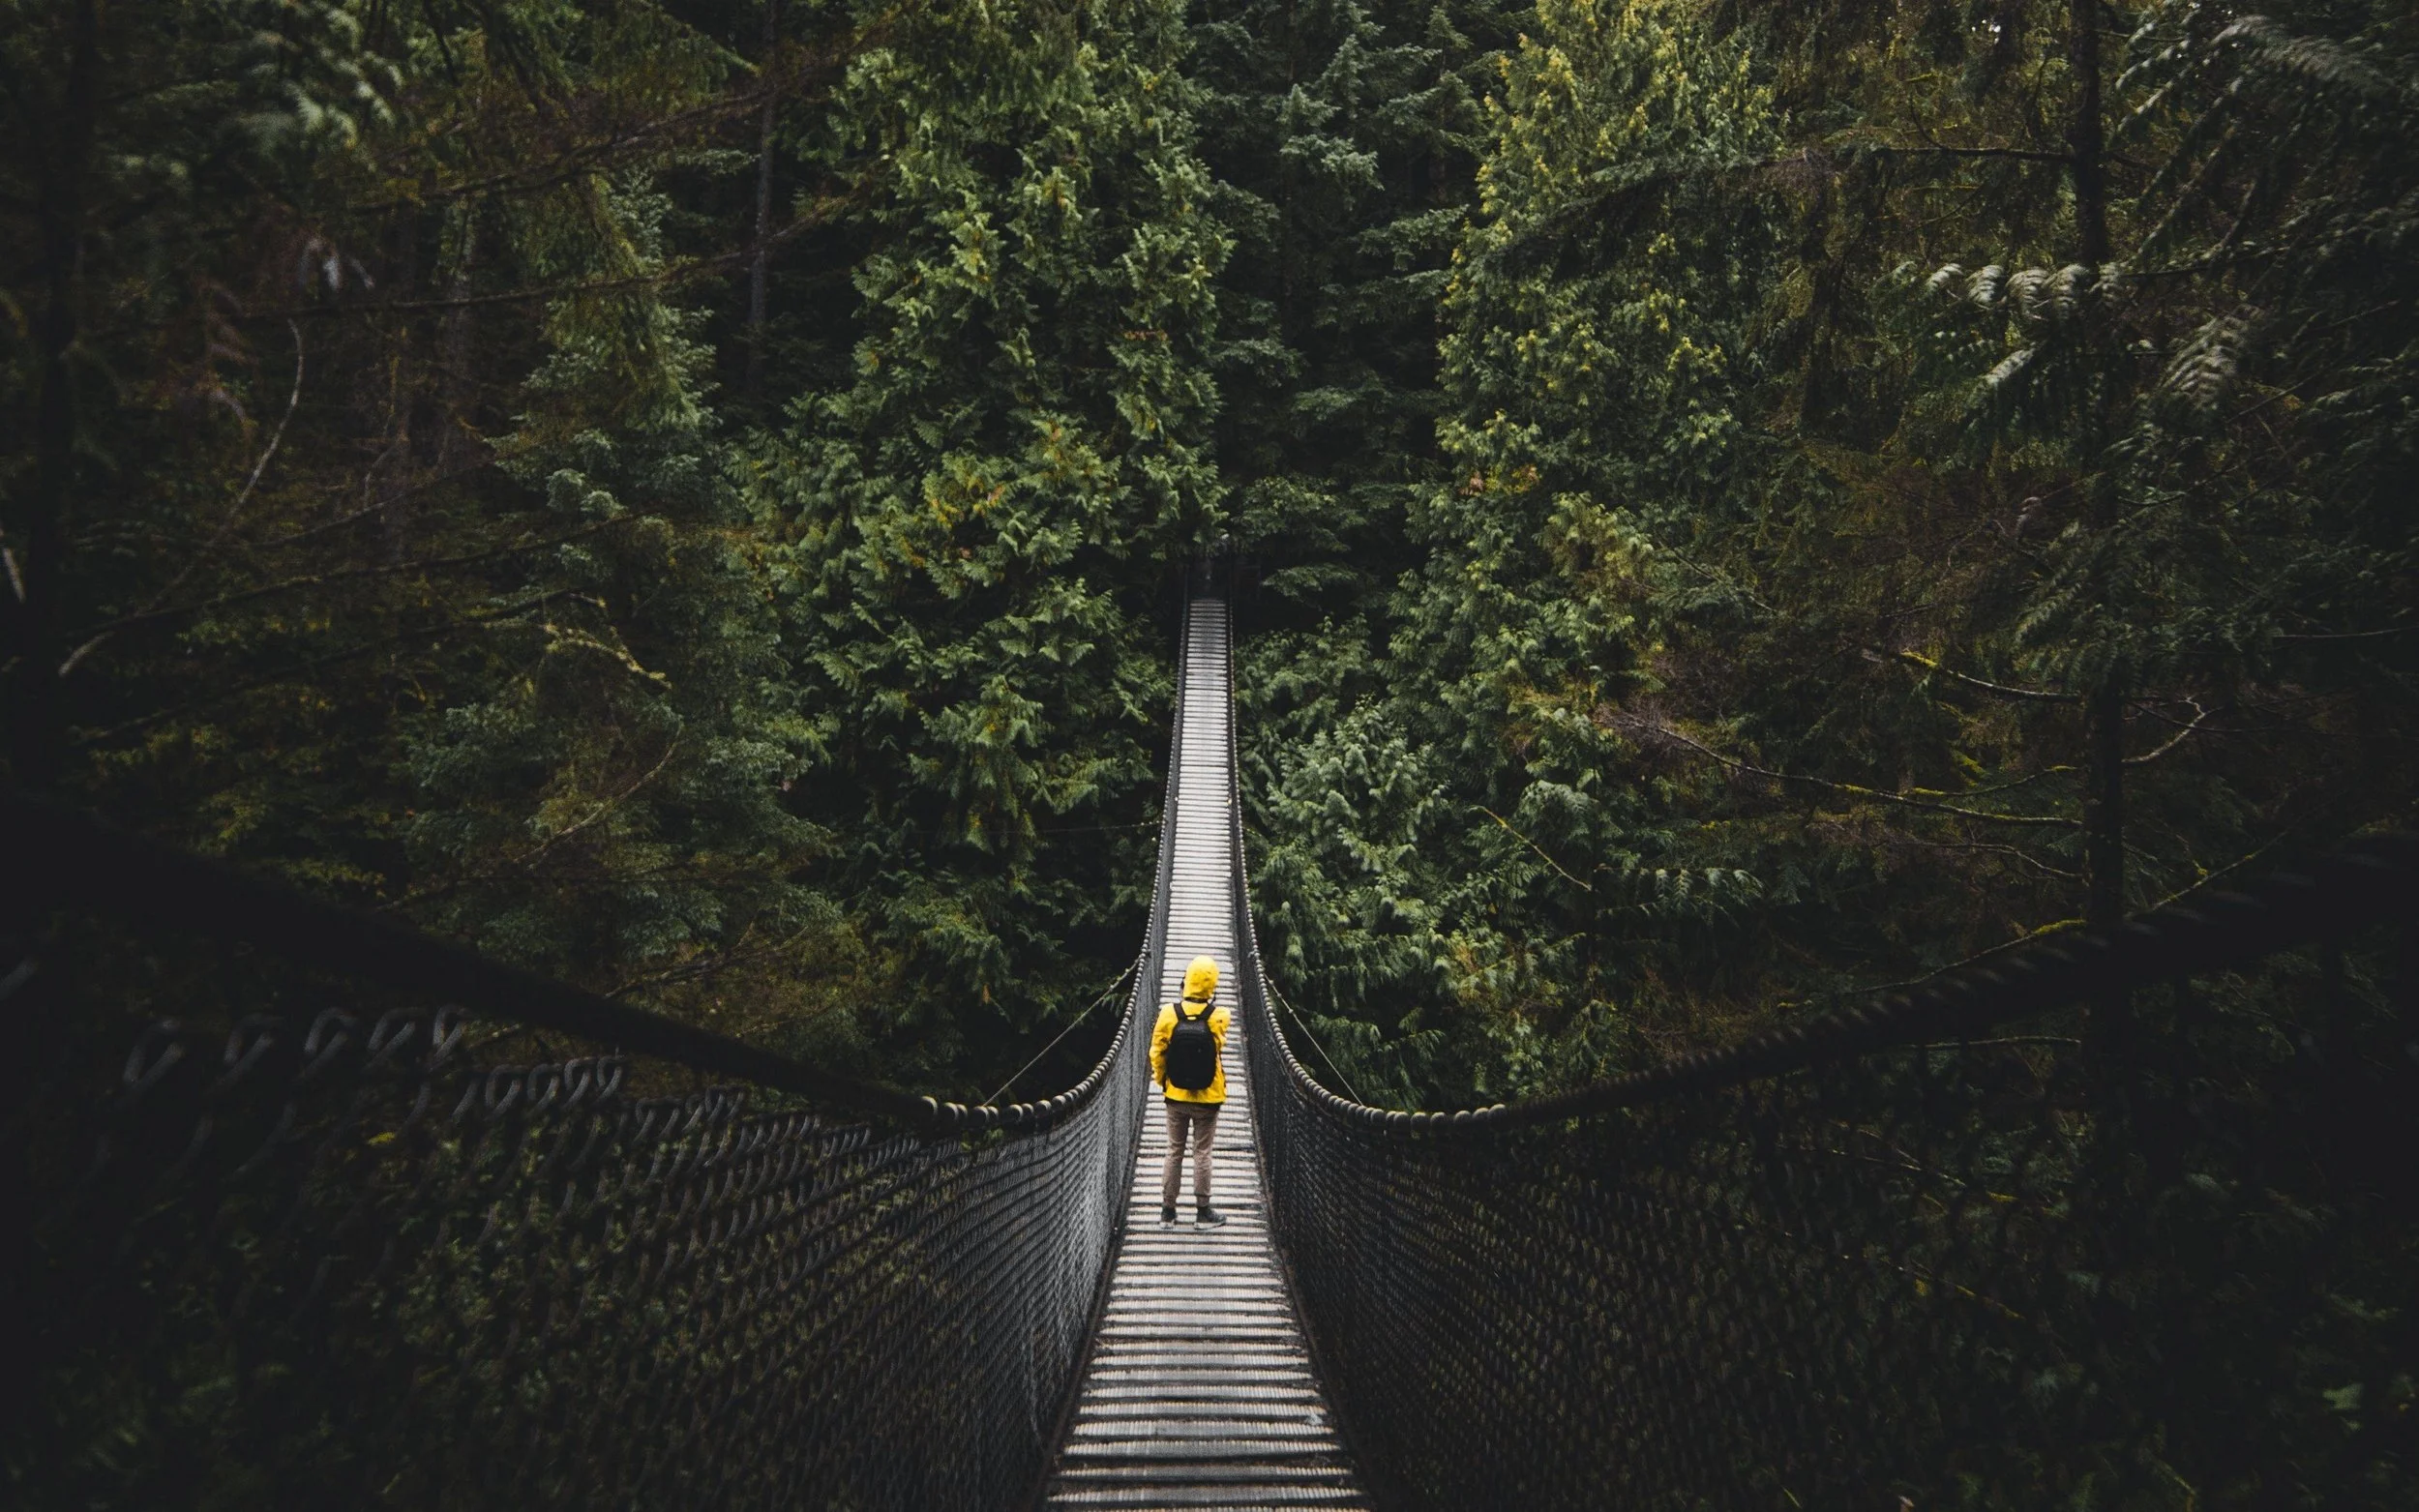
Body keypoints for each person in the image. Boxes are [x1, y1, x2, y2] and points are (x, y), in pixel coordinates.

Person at [1150, 955, 1230, 1227]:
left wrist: (1163, 1081)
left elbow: (1157, 1052)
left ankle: (1167, 1212)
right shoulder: (1220, 1016)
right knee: (1202, 1152)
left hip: (1176, 1095)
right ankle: (1203, 1212)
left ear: (1187, 981)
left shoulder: (1169, 1013)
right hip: (1208, 1097)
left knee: (1174, 1150)